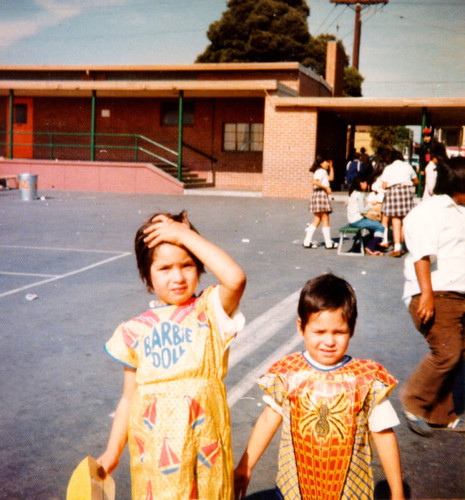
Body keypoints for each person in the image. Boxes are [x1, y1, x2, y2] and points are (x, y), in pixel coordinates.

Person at [97, 210, 246, 499]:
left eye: (187, 265)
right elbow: (129, 397)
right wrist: (112, 452)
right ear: (146, 274)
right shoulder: (134, 330)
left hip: (206, 448)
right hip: (156, 453)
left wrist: (184, 235)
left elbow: (235, 279)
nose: (177, 277)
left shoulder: (210, 310)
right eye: (164, 268)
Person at [234, 274, 404, 500]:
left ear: (352, 329)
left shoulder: (366, 379)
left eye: (339, 332)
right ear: (301, 328)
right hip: (293, 489)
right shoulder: (288, 372)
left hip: (350, 491)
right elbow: (268, 419)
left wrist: (397, 492)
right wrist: (245, 466)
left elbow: (383, 434)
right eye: (319, 332)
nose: (329, 341)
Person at [400, 157, 465, 436]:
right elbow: (422, 254)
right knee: (448, 352)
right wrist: (426, 294)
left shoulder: (457, 211)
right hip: (436, 293)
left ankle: (440, 414)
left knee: (458, 354)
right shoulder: (429, 211)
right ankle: (413, 399)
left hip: (457, 293)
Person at [381, 150, 419, 257]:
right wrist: (408, 183)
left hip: (393, 192)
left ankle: (397, 247)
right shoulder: (407, 166)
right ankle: (401, 246)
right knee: (404, 220)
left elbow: (384, 185)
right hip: (406, 192)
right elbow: (416, 181)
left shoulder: (388, 168)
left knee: (395, 220)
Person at [303, 155, 338, 249]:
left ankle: (307, 241)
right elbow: (315, 182)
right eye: (327, 162)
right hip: (321, 194)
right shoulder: (320, 171)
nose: (327, 164)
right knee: (325, 219)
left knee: (317, 219)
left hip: (318, 195)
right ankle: (328, 243)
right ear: (322, 162)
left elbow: (331, 178)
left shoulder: (322, 172)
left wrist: (331, 167)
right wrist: (326, 187)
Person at [347, 175, 386, 256]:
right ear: (361, 183)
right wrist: (371, 205)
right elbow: (363, 210)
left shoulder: (353, 192)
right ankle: (371, 247)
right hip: (357, 220)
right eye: (365, 183)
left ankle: (371, 243)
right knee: (380, 226)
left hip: (352, 219)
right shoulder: (360, 194)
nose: (366, 185)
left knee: (373, 226)